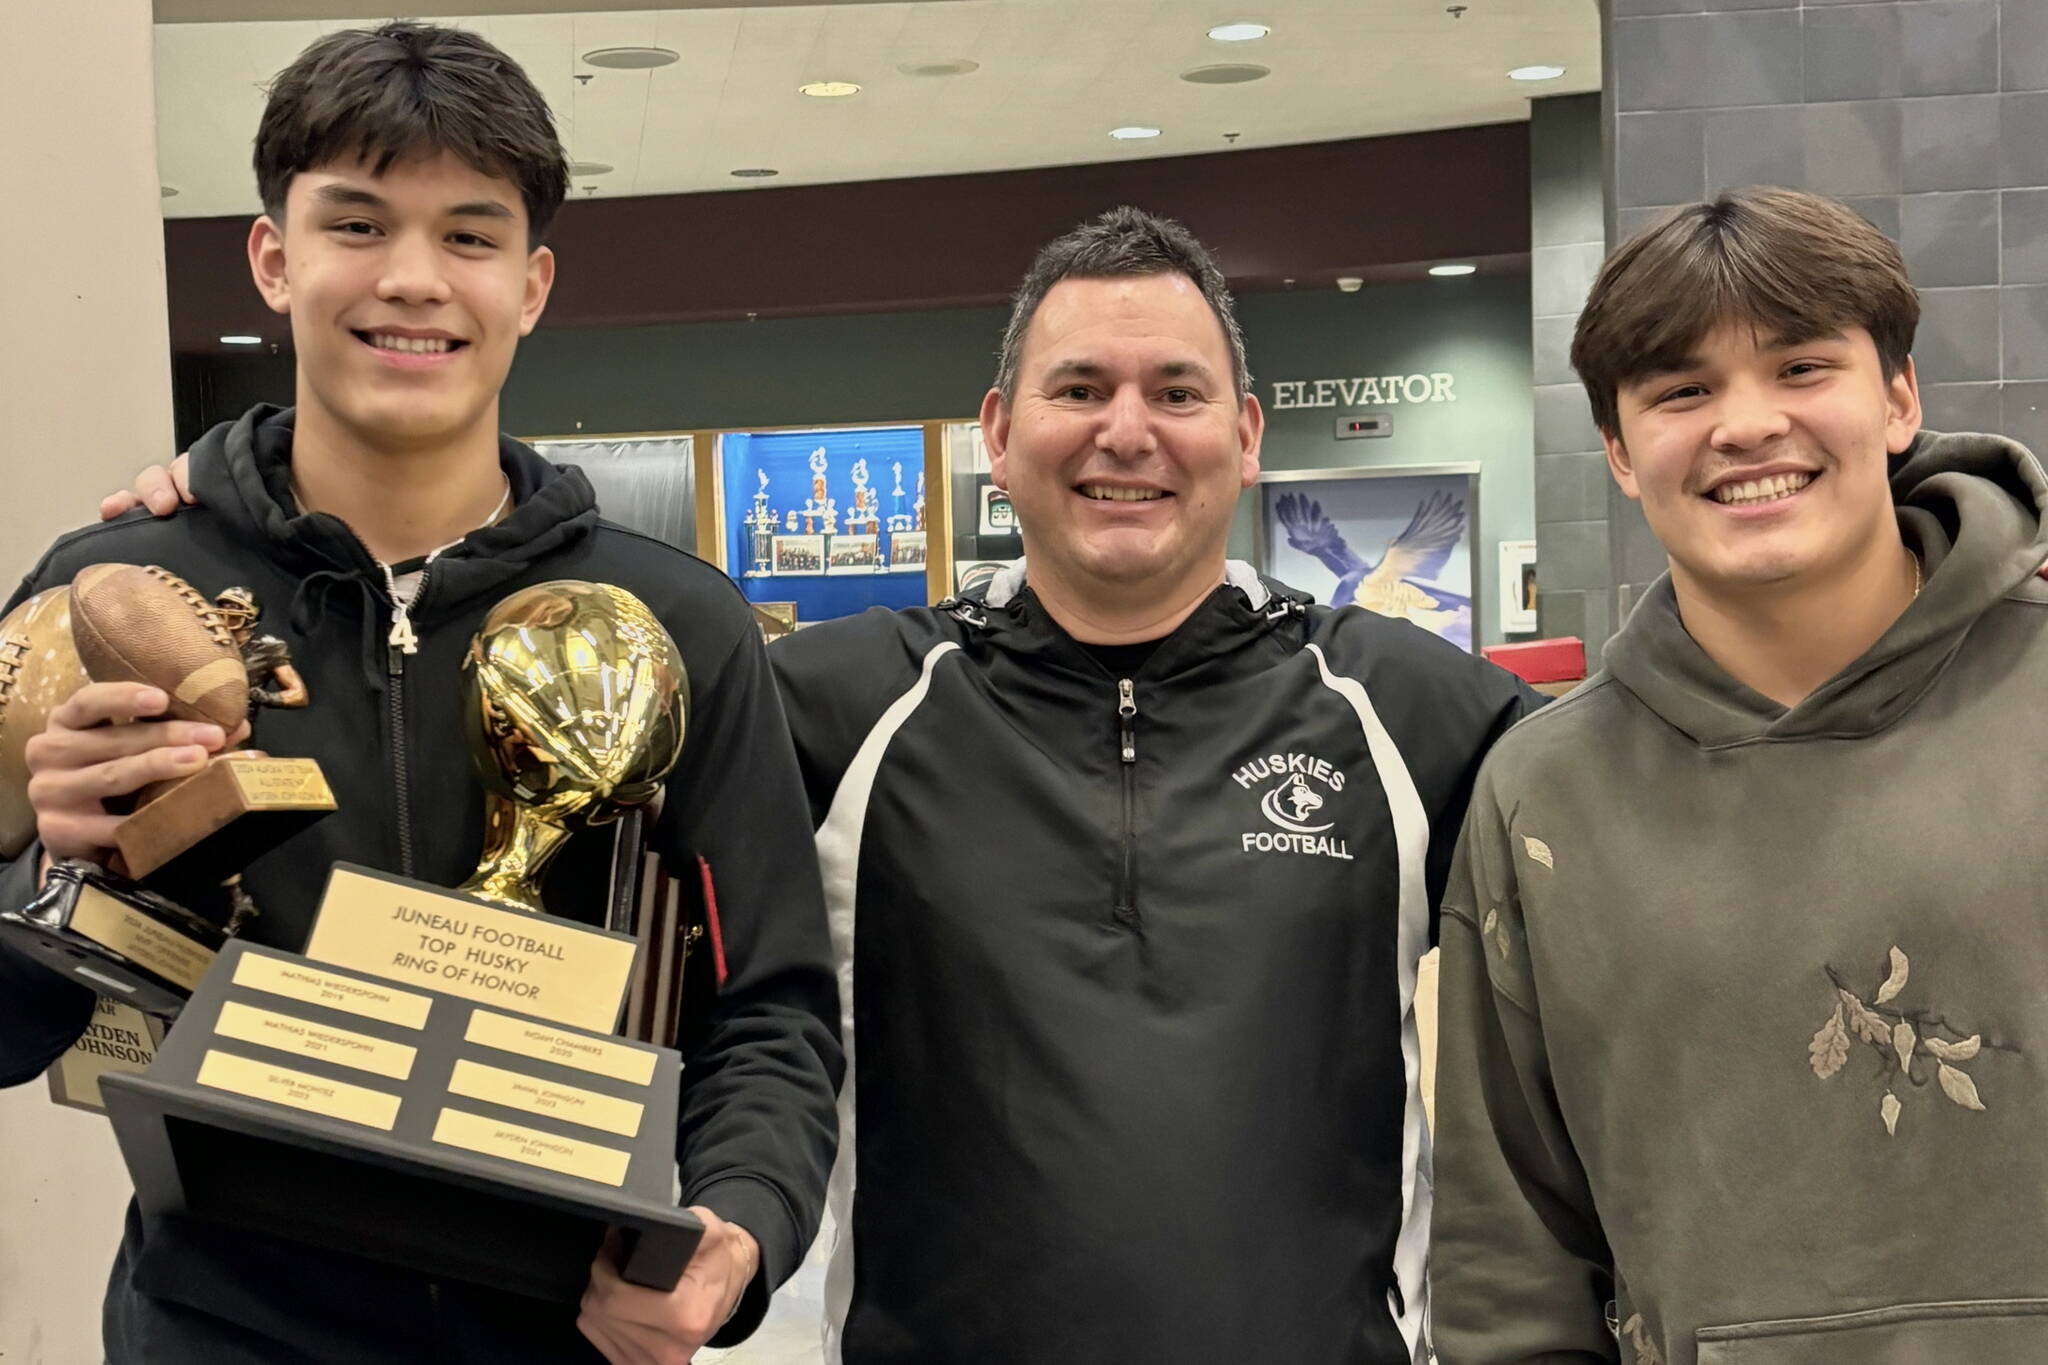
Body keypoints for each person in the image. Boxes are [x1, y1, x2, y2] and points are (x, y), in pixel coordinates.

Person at [111, 207, 1542, 1362]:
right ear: (998, 430)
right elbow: (498, 815)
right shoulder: (844, 703)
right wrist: (247, 511)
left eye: (1176, 393)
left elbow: (1636, 893)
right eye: (1079, 389)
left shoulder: (1407, 710)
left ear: (1247, 431)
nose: (1127, 431)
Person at [9, 22, 840, 1365]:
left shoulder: (677, 627)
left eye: (468, 234)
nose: (412, 281)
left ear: (533, 283)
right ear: (274, 259)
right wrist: (49, 877)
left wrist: (734, 1228)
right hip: (214, 1331)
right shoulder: (101, 601)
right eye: (357, 223)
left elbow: (772, 1012)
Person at [1429, 187, 2048, 1365]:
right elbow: (1508, 1253)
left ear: (1897, 396)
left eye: (1800, 367)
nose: (1745, 425)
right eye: (1680, 392)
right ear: (1615, 450)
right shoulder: (1542, 795)